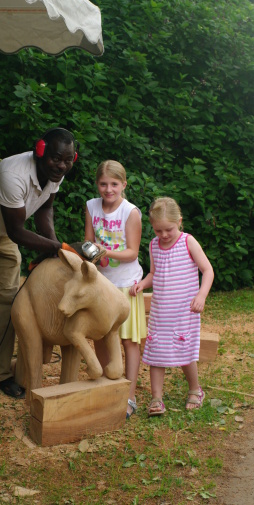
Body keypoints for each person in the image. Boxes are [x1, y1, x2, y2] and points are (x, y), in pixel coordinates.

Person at [0, 127, 79, 402]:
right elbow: (17, 232)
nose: (62, 165)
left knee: (8, 302)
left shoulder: (56, 175)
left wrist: (53, 245)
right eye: (56, 158)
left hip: (2, 234)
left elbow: (45, 208)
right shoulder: (13, 174)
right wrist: (57, 247)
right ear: (40, 151)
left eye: (68, 160)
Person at [130, 197, 214, 416]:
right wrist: (142, 285)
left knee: (185, 352)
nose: (164, 235)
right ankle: (156, 398)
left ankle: (195, 390)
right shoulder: (154, 245)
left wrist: (201, 295)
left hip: (184, 311)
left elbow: (208, 270)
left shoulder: (188, 242)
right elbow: (154, 273)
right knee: (156, 353)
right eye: (158, 231)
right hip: (161, 312)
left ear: (180, 222)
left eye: (168, 229)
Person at [85, 160, 147, 419]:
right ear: (97, 184)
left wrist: (105, 251)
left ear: (123, 184)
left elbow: (132, 252)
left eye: (114, 184)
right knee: (100, 335)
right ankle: (107, 388)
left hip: (126, 285)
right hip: (102, 284)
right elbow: (89, 241)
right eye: (103, 184)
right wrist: (88, 253)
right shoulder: (91, 206)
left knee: (128, 340)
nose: (108, 189)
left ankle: (129, 395)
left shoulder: (130, 212)